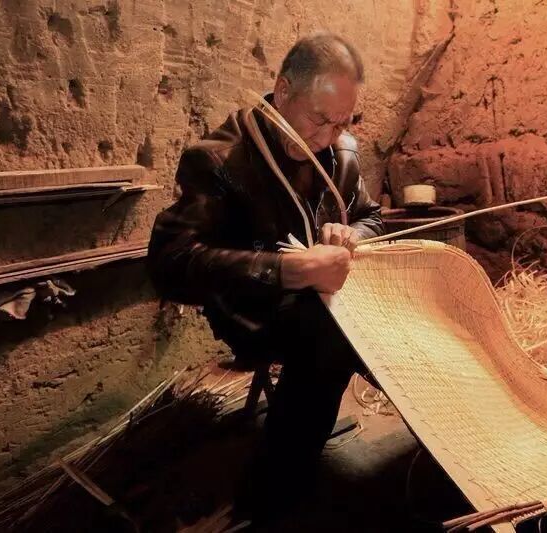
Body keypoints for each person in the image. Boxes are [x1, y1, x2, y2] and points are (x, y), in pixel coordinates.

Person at [146, 33, 383, 526]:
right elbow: (170, 262)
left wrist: (350, 233)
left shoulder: (342, 153)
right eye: (319, 119)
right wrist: (283, 270)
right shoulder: (220, 159)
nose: (328, 137)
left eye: (342, 123)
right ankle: (270, 498)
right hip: (248, 308)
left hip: (321, 297)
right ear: (283, 90)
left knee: (382, 318)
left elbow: (371, 216)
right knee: (329, 337)